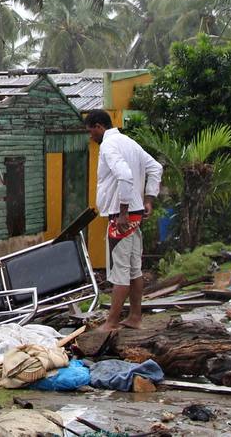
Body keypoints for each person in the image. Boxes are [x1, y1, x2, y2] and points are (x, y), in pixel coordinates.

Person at [86, 110, 162, 331]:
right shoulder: (129, 142)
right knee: (134, 270)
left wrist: (122, 212)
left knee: (120, 271)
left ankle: (111, 322)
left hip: (122, 217)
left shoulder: (109, 146)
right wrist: (148, 199)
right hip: (136, 214)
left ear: (99, 126)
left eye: (91, 131)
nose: (91, 136)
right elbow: (155, 167)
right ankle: (135, 317)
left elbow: (125, 175)